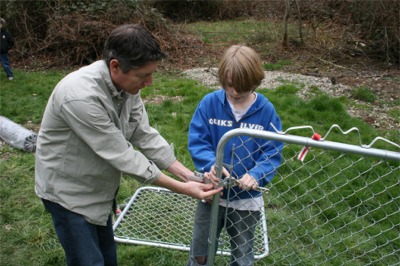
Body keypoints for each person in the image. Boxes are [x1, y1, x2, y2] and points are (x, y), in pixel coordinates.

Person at [35, 24, 222, 266]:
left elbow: (143, 134)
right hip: (69, 195)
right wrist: (183, 189)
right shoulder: (80, 96)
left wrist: (189, 177)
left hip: (99, 190)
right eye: (143, 75)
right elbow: (123, 156)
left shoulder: (127, 87)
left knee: (107, 259)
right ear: (115, 66)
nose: (150, 82)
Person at [187, 45, 283, 266]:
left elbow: (273, 150)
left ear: (255, 82)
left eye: (242, 87)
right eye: (229, 85)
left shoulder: (266, 111)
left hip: (246, 200)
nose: (235, 92)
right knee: (200, 251)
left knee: (242, 254)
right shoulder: (210, 103)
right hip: (212, 193)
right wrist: (211, 164)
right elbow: (198, 140)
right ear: (222, 79)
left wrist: (257, 174)